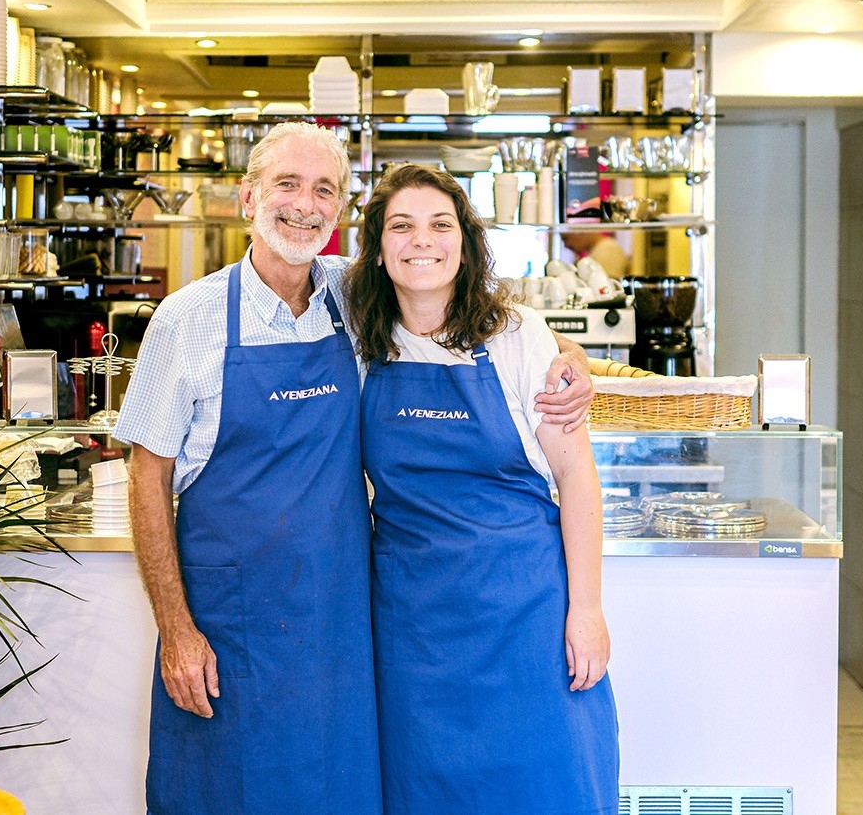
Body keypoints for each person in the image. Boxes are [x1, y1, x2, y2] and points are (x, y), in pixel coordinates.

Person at [112, 122, 594, 815]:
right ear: (248, 197)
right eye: (286, 184)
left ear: (338, 215)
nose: (304, 205)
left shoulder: (353, 294)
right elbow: (145, 477)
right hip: (230, 626)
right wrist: (176, 630)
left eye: (324, 191)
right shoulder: (186, 321)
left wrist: (570, 363)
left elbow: (479, 317)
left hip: (343, 627)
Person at [347, 163, 620, 815]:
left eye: (441, 225)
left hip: (525, 615)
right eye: (402, 226)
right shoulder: (359, 341)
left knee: (547, 789)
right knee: (427, 792)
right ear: (379, 249)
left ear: (465, 244)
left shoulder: (518, 335)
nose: (423, 241)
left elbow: (576, 476)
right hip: (414, 630)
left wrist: (586, 611)